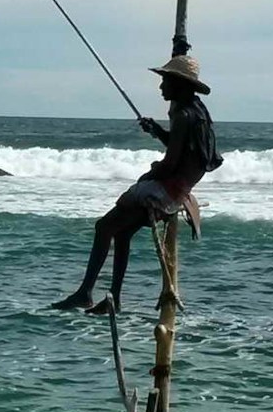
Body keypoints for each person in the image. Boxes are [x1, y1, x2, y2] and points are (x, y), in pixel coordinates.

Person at [53, 54, 222, 314]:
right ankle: (114, 298)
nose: (161, 86)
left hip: (167, 191)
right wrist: (158, 132)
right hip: (179, 189)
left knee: (103, 227)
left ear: (179, 84)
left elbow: (170, 163)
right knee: (122, 232)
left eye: (166, 81)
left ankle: (85, 293)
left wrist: (147, 176)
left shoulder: (182, 115)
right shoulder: (197, 112)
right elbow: (184, 149)